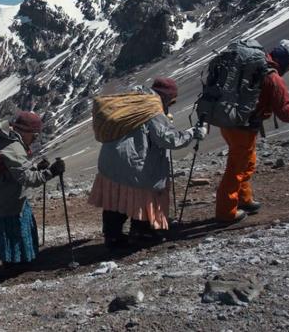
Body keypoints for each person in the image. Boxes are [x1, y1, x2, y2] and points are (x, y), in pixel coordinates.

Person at [88, 78, 207, 249]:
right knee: (143, 197)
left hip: (109, 161)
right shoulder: (152, 109)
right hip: (134, 165)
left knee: (115, 200)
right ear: (166, 97)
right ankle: (142, 232)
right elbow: (169, 139)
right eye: (171, 101)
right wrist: (193, 133)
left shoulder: (132, 99)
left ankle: (112, 236)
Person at [215, 39, 289, 223]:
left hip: (229, 121)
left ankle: (243, 199)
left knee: (247, 163)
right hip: (243, 128)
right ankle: (225, 212)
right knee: (236, 168)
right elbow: (286, 113)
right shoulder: (273, 78)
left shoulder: (255, 67)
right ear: (286, 61)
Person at [0, 111, 64, 273]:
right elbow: (27, 179)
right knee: (16, 222)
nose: (35, 139)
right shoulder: (14, 147)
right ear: (27, 132)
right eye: (35, 135)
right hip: (2, 204)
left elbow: (9, 170)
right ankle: (12, 262)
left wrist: (36, 168)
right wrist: (51, 172)